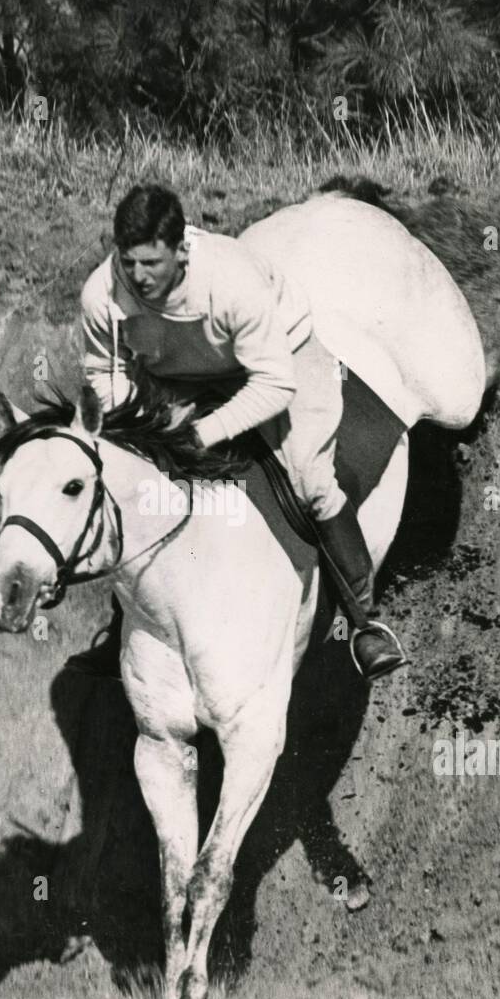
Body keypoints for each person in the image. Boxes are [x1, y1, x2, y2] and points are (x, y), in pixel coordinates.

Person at [67, 181, 407, 682]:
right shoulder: (102, 293)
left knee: (311, 482)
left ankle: (364, 622)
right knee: (136, 486)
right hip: (177, 376)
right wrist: (143, 427)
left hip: (281, 363)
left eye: (151, 264)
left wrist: (203, 433)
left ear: (181, 249)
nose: (137, 278)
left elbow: (272, 384)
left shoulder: (230, 280)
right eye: (128, 261)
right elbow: (105, 373)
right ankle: (127, 628)